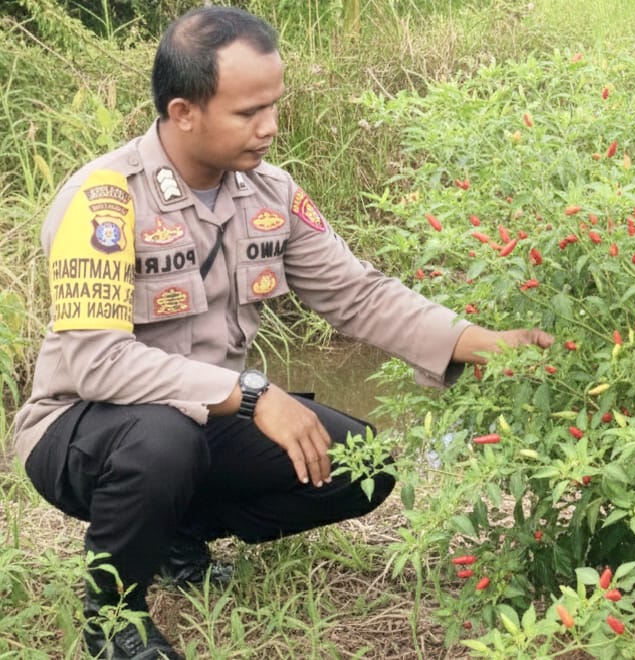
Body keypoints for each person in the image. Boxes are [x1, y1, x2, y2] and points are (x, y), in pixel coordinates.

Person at [11, 6, 553, 658]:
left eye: (274, 105)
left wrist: (478, 340)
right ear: (183, 111)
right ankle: (112, 617)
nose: (269, 128)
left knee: (360, 465)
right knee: (161, 437)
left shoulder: (268, 193)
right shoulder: (103, 200)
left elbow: (355, 293)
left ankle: (172, 536)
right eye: (247, 113)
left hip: (201, 421)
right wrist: (254, 394)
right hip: (83, 429)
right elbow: (99, 362)